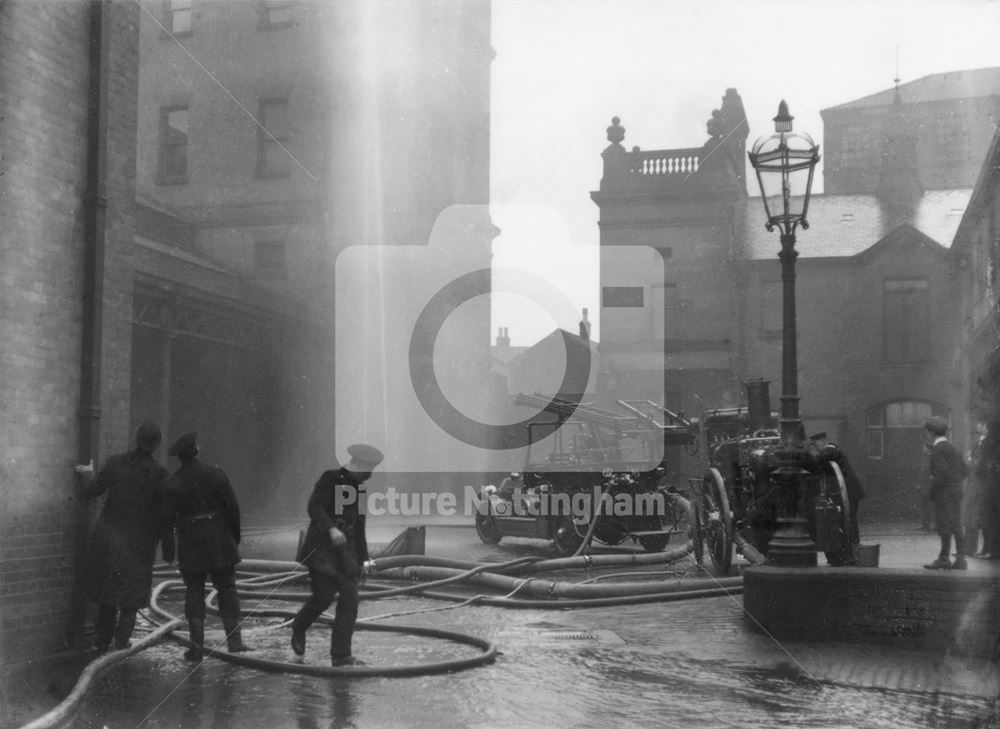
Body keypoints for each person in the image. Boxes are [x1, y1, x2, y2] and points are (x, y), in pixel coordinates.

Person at [73, 421, 172, 652]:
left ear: (136, 437)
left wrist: (87, 474)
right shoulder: (160, 475)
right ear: (157, 443)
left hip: (110, 540)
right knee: (132, 596)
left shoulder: (116, 464)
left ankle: (102, 642)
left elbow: (92, 491)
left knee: (108, 591)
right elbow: (166, 516)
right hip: (140, 546)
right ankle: (121, 644)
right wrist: (168, 550)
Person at [291, 444, 383, 667]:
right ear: (357, 465)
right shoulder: (330, 479)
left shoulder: (359, 489)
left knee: (350, 600)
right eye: (367, 470)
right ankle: (299, 627)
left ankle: (341, 656)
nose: (369, 476)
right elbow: (315, 507)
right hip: (322, 550)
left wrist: (364, 560)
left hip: (346, 554)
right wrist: (331, 528)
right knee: (323, 597)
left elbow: (359, 527)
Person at [162, 431, 249, 661]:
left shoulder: (172, 483)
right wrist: (234, 539)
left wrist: (169, 553)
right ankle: (235, 643)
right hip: (219, 538)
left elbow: (167, 521)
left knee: (194, 593)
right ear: (197, 450)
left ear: (179, 457)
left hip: (190, 541)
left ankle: (196, 648)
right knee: (227, 590)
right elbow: (232, 508)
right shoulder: (216, 473)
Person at [922, 416, 970, 570]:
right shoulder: (953, 447)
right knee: (956, 525)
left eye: (927, 432)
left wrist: (931, 492)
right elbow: (965, 470)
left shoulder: (937, 450)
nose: (926, 435)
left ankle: (944, 558)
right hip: (956, 492)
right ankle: (961, 559)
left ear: (931, 433)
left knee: (944, 525)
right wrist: (955, 482)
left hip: (944, 494)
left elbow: (941, 474)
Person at [809, 432, 866, 549]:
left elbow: (821, 457)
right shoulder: (831, 452)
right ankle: (850, 546)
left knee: (849, 520)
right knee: (846, 519)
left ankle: (853, 546)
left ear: (823, 440)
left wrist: (807, 459)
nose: (814, 447)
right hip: (844, 491)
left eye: (815, 444)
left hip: (849, 491)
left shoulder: (831, 449)